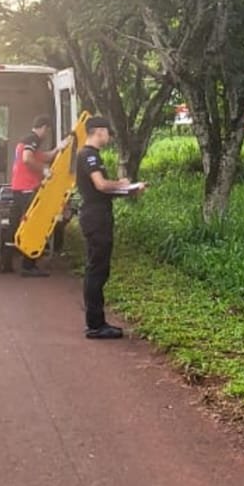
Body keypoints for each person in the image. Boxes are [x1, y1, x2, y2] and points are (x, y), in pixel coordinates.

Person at [76, 115, 145, 340]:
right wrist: (123, 184)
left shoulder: (91, 155)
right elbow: (101, 185)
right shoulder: (89, 156)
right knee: (96, 270)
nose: (109, 136)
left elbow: (102, 190)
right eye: (107, 132)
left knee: (98, 269)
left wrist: (128, 190)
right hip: (96, 218)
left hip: (97, 215)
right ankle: (95, 325)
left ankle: (97, 322)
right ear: (98, 131)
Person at [0, 114, 63, 276]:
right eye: (47, 130)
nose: (46, 135)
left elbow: (44, 156)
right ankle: (28, 264)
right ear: (44, 127)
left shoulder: (25, 140)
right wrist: (44, 170)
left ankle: (4, 263)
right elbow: (27, 159)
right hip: (27, 188)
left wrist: (58, 149)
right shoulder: (33, 139)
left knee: (14, 226)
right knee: (33, 223)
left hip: (18, 187)